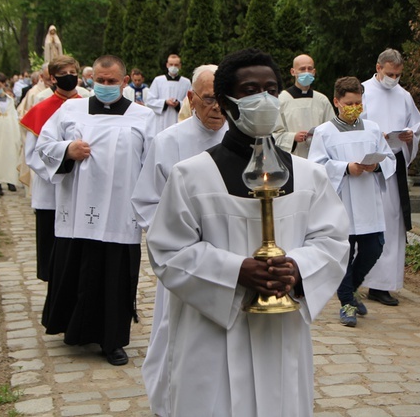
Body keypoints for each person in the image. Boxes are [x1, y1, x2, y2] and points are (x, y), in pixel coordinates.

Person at [145, 48, 349, 416]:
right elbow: (167, 250)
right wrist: (236, 270)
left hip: (281, 334)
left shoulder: (307, 176)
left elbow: (332, 240)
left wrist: (298, 268)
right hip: (212, 334)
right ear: (224, 102)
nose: (264, 99)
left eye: (271, 89)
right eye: (250, 90)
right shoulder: (191, 176)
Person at [36, 55, 155, 366]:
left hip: (119, 212)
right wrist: (67, 150)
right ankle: (74, 330)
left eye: (111, 81)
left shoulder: (143, 118)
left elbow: (154, 165)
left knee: (114, 275)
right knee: (78, 269)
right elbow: (42, 147)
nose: (104, 86)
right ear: (90, 81)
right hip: (77, 210)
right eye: (99, 81)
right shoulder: (70, 110)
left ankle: (112, 340)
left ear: (124, 82)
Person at [130, 63, 227, 417]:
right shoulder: (169, 141)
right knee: (175, 332)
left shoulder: (241, 140)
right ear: (191, 98)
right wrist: (177, 237)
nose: (217, 108)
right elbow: (146, 201)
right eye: (209, 99)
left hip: (228, 258)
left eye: (224, 99)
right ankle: (169, 401)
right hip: (183, 258)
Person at [308, 76, 396, 328]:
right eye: (349, 103)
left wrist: (377, 165)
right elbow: (316, 167)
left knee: (374, 248)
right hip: (341, 201)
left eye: (358, 102)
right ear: (336, 102)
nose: (355, 107)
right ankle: (347, 302)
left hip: (368, 201)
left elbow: (390, 159)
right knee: (343, 256)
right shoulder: (324, 132)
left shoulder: (373, 129)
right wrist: (346, 167)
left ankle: (352, 288)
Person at [361, 48, 420, 306]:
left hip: (395, 163)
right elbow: (354, 125)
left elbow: (416, 125)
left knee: (394, 220)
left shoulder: (404, 95)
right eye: (389, 74)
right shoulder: (363, 92)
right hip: (371, 165)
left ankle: (385, 282)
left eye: (398, 74)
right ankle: (368, 279)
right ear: (378, 67)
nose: (394, 79)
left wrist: (410, 136)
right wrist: (378, 138)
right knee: (373, 218)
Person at [21, 55, 85, 282]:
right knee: (53, 254)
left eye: (72, 74)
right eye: (63, 75)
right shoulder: (41, 109)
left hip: (83, 187)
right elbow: (32, 154)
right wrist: (63, 162)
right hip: (51, 189)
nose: (69, 78)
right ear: (52, 78)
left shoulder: (87, 104)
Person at [273, 54, 335, 158]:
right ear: (293, 72)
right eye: (302, 69)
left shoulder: (322, 100)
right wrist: (293, 137)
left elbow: (332, 130)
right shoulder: (281, 100)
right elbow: (273, 134)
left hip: (318, 157)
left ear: (314, 72)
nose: (306, 72)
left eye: (309, 69)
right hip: (291, 158)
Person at [145, 54, 191, 134]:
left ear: (180, 66)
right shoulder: (158, 81)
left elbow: (190, 102)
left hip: (179, 119)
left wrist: (178, 104)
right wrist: (165, 102)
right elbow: (149, 101)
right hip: (162, 120)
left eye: (176, 65)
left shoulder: (186, 82)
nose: (173, 67)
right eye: (171, 64)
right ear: (167, 65)